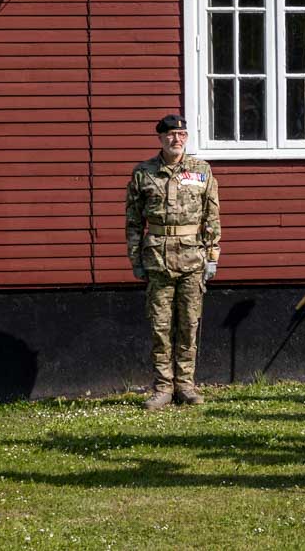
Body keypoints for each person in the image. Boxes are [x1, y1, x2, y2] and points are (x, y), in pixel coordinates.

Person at [125, 114, 221, 411]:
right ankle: (163, 387)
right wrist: (136, 259)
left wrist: (213, 256)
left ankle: (186, 385)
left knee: (189, 324)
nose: (176, 139)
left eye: (181, 134)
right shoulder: (144, 173)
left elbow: (211, 216)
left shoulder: (201, 171)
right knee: (160, 326)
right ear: (160, 138)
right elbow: (132, 222)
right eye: (170, 134)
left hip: (193, 258)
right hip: (157, 259)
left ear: (187, 138)